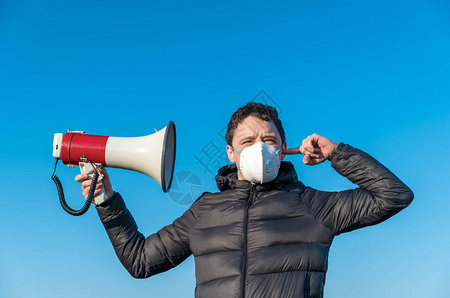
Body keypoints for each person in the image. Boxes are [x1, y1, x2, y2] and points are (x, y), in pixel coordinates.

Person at [76, 102, 413, 298]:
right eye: (248, 140)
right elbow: (140, 261)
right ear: (231, 153)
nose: (259, 147)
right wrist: (105, 200)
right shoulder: (204, 211)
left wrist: (337, 153)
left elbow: (394, 196)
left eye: (269, 139)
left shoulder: (313, 205)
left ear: (283, 150)